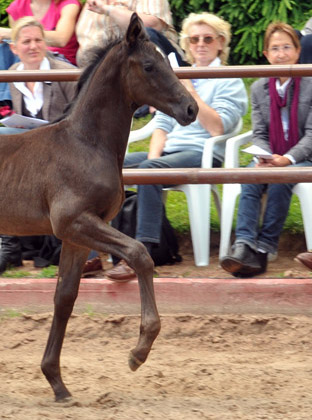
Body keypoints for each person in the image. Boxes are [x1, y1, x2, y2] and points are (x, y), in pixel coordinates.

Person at [105, 12, 248, 281]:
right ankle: (105, 248)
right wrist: (152, 160)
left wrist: (190, 91)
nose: (200, 44)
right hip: (170, 154)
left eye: (208, 38)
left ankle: (141, 254)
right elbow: (162, 124)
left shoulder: (229, 78)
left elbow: (217, 127)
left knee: (149, 169)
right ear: (186, 44)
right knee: (108, 165)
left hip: (204, 153)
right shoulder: (179, 74)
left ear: (221, 42)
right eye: (194, 39)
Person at [0, 17, 79, 278]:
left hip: (66, 148)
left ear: (45, 44)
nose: (33, 46)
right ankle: (8, 246)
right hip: (34, 151)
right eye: (26, 41)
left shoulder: (63, 71)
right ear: (14, 48)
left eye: (38, 40)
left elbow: (81, 120)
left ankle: (10, 248)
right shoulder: (12, 75)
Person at [220, 22, 312, 278]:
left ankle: (263, 249)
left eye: (286, 47)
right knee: (251, 176)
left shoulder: (310, 82)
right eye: (275, 49)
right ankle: (244, 245)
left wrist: (288, 159)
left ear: (297, 51)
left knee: (282, 179)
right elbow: (259, 133)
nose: (281, 54)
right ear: (266, 55)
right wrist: (264, 157)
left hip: (304, 158)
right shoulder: (259, 88)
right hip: (273, 156)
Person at [0, 0, 81, 118]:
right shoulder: (17, 6)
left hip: (58, 59)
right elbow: (19, 44)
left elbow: (62, 39)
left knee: (23, 50)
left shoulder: (68, 4)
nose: (33, 44)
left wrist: (10, 33)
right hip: (30, 60)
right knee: (7, 48)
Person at [76, 0, 186, 68]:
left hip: (147, 71)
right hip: (98, 74)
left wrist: (108, 10)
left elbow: (151, 25)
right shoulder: (91, 2)